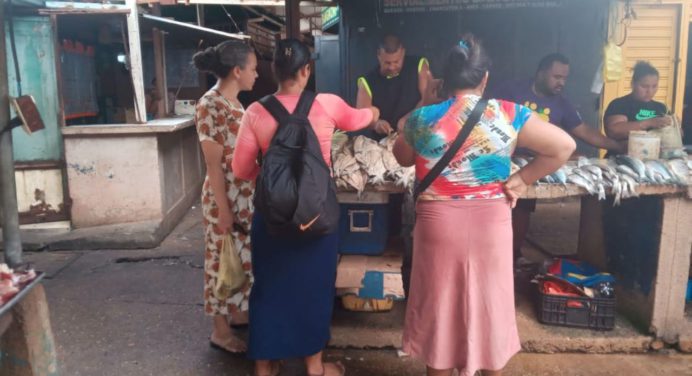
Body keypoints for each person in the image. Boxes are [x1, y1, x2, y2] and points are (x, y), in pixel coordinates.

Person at [394, 35, 575, 376]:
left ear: (443, 80)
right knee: (490, 308)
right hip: (491, 224)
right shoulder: (509, 114)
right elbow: (563, 146)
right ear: (485, 78)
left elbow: (401, 156)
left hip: (438, 224)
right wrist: (522, 179)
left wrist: (423, 101)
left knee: (441, 314)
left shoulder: (423, 119)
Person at [233, 39, 380, 376]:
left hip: (271, 218)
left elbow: (241, 169)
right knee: (314, 288)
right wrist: (374, 112)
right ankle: (314, 366)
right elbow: (361, 119)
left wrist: (275, 185)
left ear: (274, 71)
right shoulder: (327, 105)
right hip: (316, 216)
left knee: (269, 288)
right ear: (306, 70)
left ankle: (265, 365)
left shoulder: (255, 111)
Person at [493, 53, 624, 264]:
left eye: (564, 78)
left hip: (535, 166)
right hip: (502, 160)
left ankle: (513, 255)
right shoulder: (512, 91)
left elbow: (584, 132)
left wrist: (618, 146)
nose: (561, 82)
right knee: (498, 210)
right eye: (556, 76)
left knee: (522, 210)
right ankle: (494, 257)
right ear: (540, 73)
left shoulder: (562, 104)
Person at [192, 40, 258, 354]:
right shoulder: (210, 104)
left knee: (240, 256)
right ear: (237, 71)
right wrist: (223, 210)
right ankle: (220, 331)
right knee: (220, 261)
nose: (256, 75)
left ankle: (238, 312)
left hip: (242, 196)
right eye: (253, 69)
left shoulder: (235, 104)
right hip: (225, 196)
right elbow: (213, 164)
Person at [355, 33, 432, 295]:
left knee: (414, 200)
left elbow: (429, 98)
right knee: (386, 203)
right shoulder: (366, 79)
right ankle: (386, 248)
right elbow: (362, 115)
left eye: (396, 61)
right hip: (382, 145)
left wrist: (410, 118)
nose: (392, 66)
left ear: (403, 53)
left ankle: (412, 257)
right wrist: (376, 123)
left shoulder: (419, 65)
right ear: (378, 56)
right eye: (387, 62)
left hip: (412, 141)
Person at [604, 61, 671, 146]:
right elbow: (614, 131)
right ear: (632, 84)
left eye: (654, 86)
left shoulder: (661, 107)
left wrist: (675, 128)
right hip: (624, 156)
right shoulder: (619, 104)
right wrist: (649, 123)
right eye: (644, 86)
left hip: (655, 156)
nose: (650, 91)